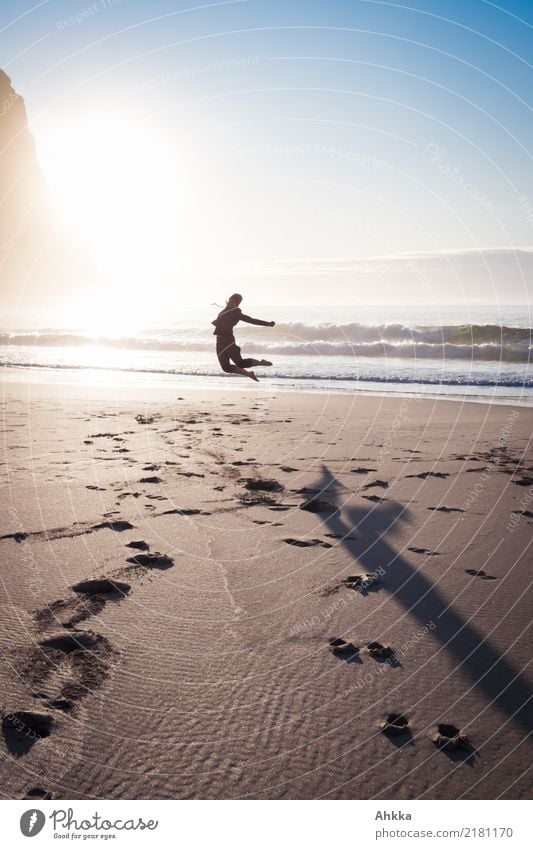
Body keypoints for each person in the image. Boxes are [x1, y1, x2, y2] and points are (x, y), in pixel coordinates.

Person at [212, 293, 275, 381]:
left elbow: (251, 320)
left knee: (240, 363)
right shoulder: (225, 310)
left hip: (227, 341)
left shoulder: (236, 313)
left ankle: (261, 362)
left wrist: (267, 323)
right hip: (219, 341)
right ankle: (249, 374)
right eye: (230, 300)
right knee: (226, 367)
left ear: (237, 303)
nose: (230, 302)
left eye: (233, 302)